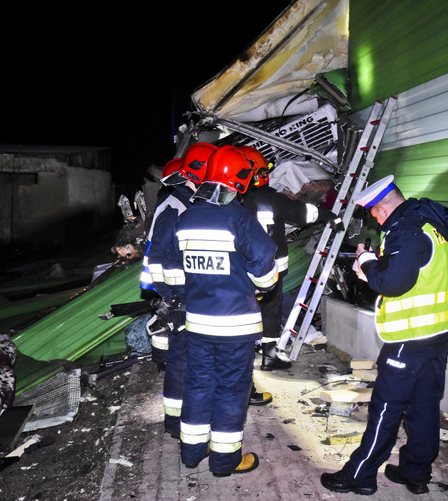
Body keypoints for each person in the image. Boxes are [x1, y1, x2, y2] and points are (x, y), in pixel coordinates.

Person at [320, 174, 448, 496]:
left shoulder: (405, 232)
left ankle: (360, 476)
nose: (375, 220)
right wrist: (381, 263)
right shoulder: (428, 220)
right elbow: (418, 269)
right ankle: (415, 473)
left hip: (411, 339)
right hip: (440, 333)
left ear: (383, 207)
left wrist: (367, 264)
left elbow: (392, 284)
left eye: (375, 213)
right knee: (425, 405)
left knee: (386, 408)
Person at [160, 145, 278, 477]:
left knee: (197, 385)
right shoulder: (238, 218)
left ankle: (191, 452)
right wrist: (256, 280)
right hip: (234, 328)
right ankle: (226, 461)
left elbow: (173, 271)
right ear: (239, 180)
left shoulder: (185, 218)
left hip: (197, 323)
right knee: (230, 390)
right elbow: (265, 273)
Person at [238, 145, 340, 371]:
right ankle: (269, 357)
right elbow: (304, 213)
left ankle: (242, 355)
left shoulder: (235, 202)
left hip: (243, 270)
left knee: (243, 311)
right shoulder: (274, 199)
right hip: (272, 269)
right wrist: (330, 216)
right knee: (271, 309)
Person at [141, 144, 214, 438]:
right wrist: (174, 301)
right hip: (176, 298)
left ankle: (182, 418)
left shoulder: (184, 202)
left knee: (186, 360)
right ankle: (175, 423)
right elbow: (159, 261)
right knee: (181, 361)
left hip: (182, 296)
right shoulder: (176, 207)